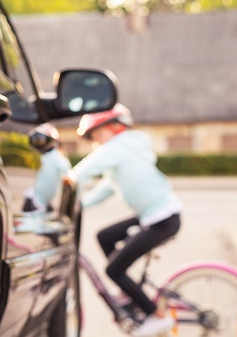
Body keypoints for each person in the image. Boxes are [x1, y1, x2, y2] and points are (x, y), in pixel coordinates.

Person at [68, 104, 182, 337]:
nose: (97, 141)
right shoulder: (125, 150)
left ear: (116, 127)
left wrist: (66, 182)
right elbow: (107, 188)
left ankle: (156, 316)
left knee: (113, 270)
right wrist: (80, 205)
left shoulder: (118, 147)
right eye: (93, 138)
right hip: (152, 215)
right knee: (104, 236)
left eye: (99, 134)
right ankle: (129, 289)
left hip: (162, 219)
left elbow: (82, 171)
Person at [25, 123, 71, 213]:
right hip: (38, 198)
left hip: (44, 202)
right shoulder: (44, 157)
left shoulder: (56, 157)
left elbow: (67, 172)